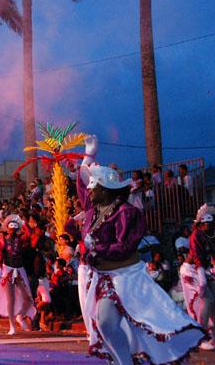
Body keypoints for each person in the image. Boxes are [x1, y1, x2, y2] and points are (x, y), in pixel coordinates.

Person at [76, 135, 205, 364]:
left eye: (95, 186)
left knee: (146, 322)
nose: (90, 190)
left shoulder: (127, 212)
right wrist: (89, 155)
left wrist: (97, 247)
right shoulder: (93, 209)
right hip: (104, 277)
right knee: (104, 323)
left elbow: (125, 246)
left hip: (127, 277)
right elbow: (81, 182)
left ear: (107, 190)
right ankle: (123, 361)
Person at [185, 204, 215, 350]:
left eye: (211, 223)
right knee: (208, 301)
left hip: (205, 269)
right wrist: (202, 276)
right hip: (192, 270)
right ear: (201, 224)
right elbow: (197, 257)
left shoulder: (212, 234)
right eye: (206, 224)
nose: (208, 226)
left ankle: (212, 334)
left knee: (214, 300)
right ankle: (199, 336)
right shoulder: (195, 235)